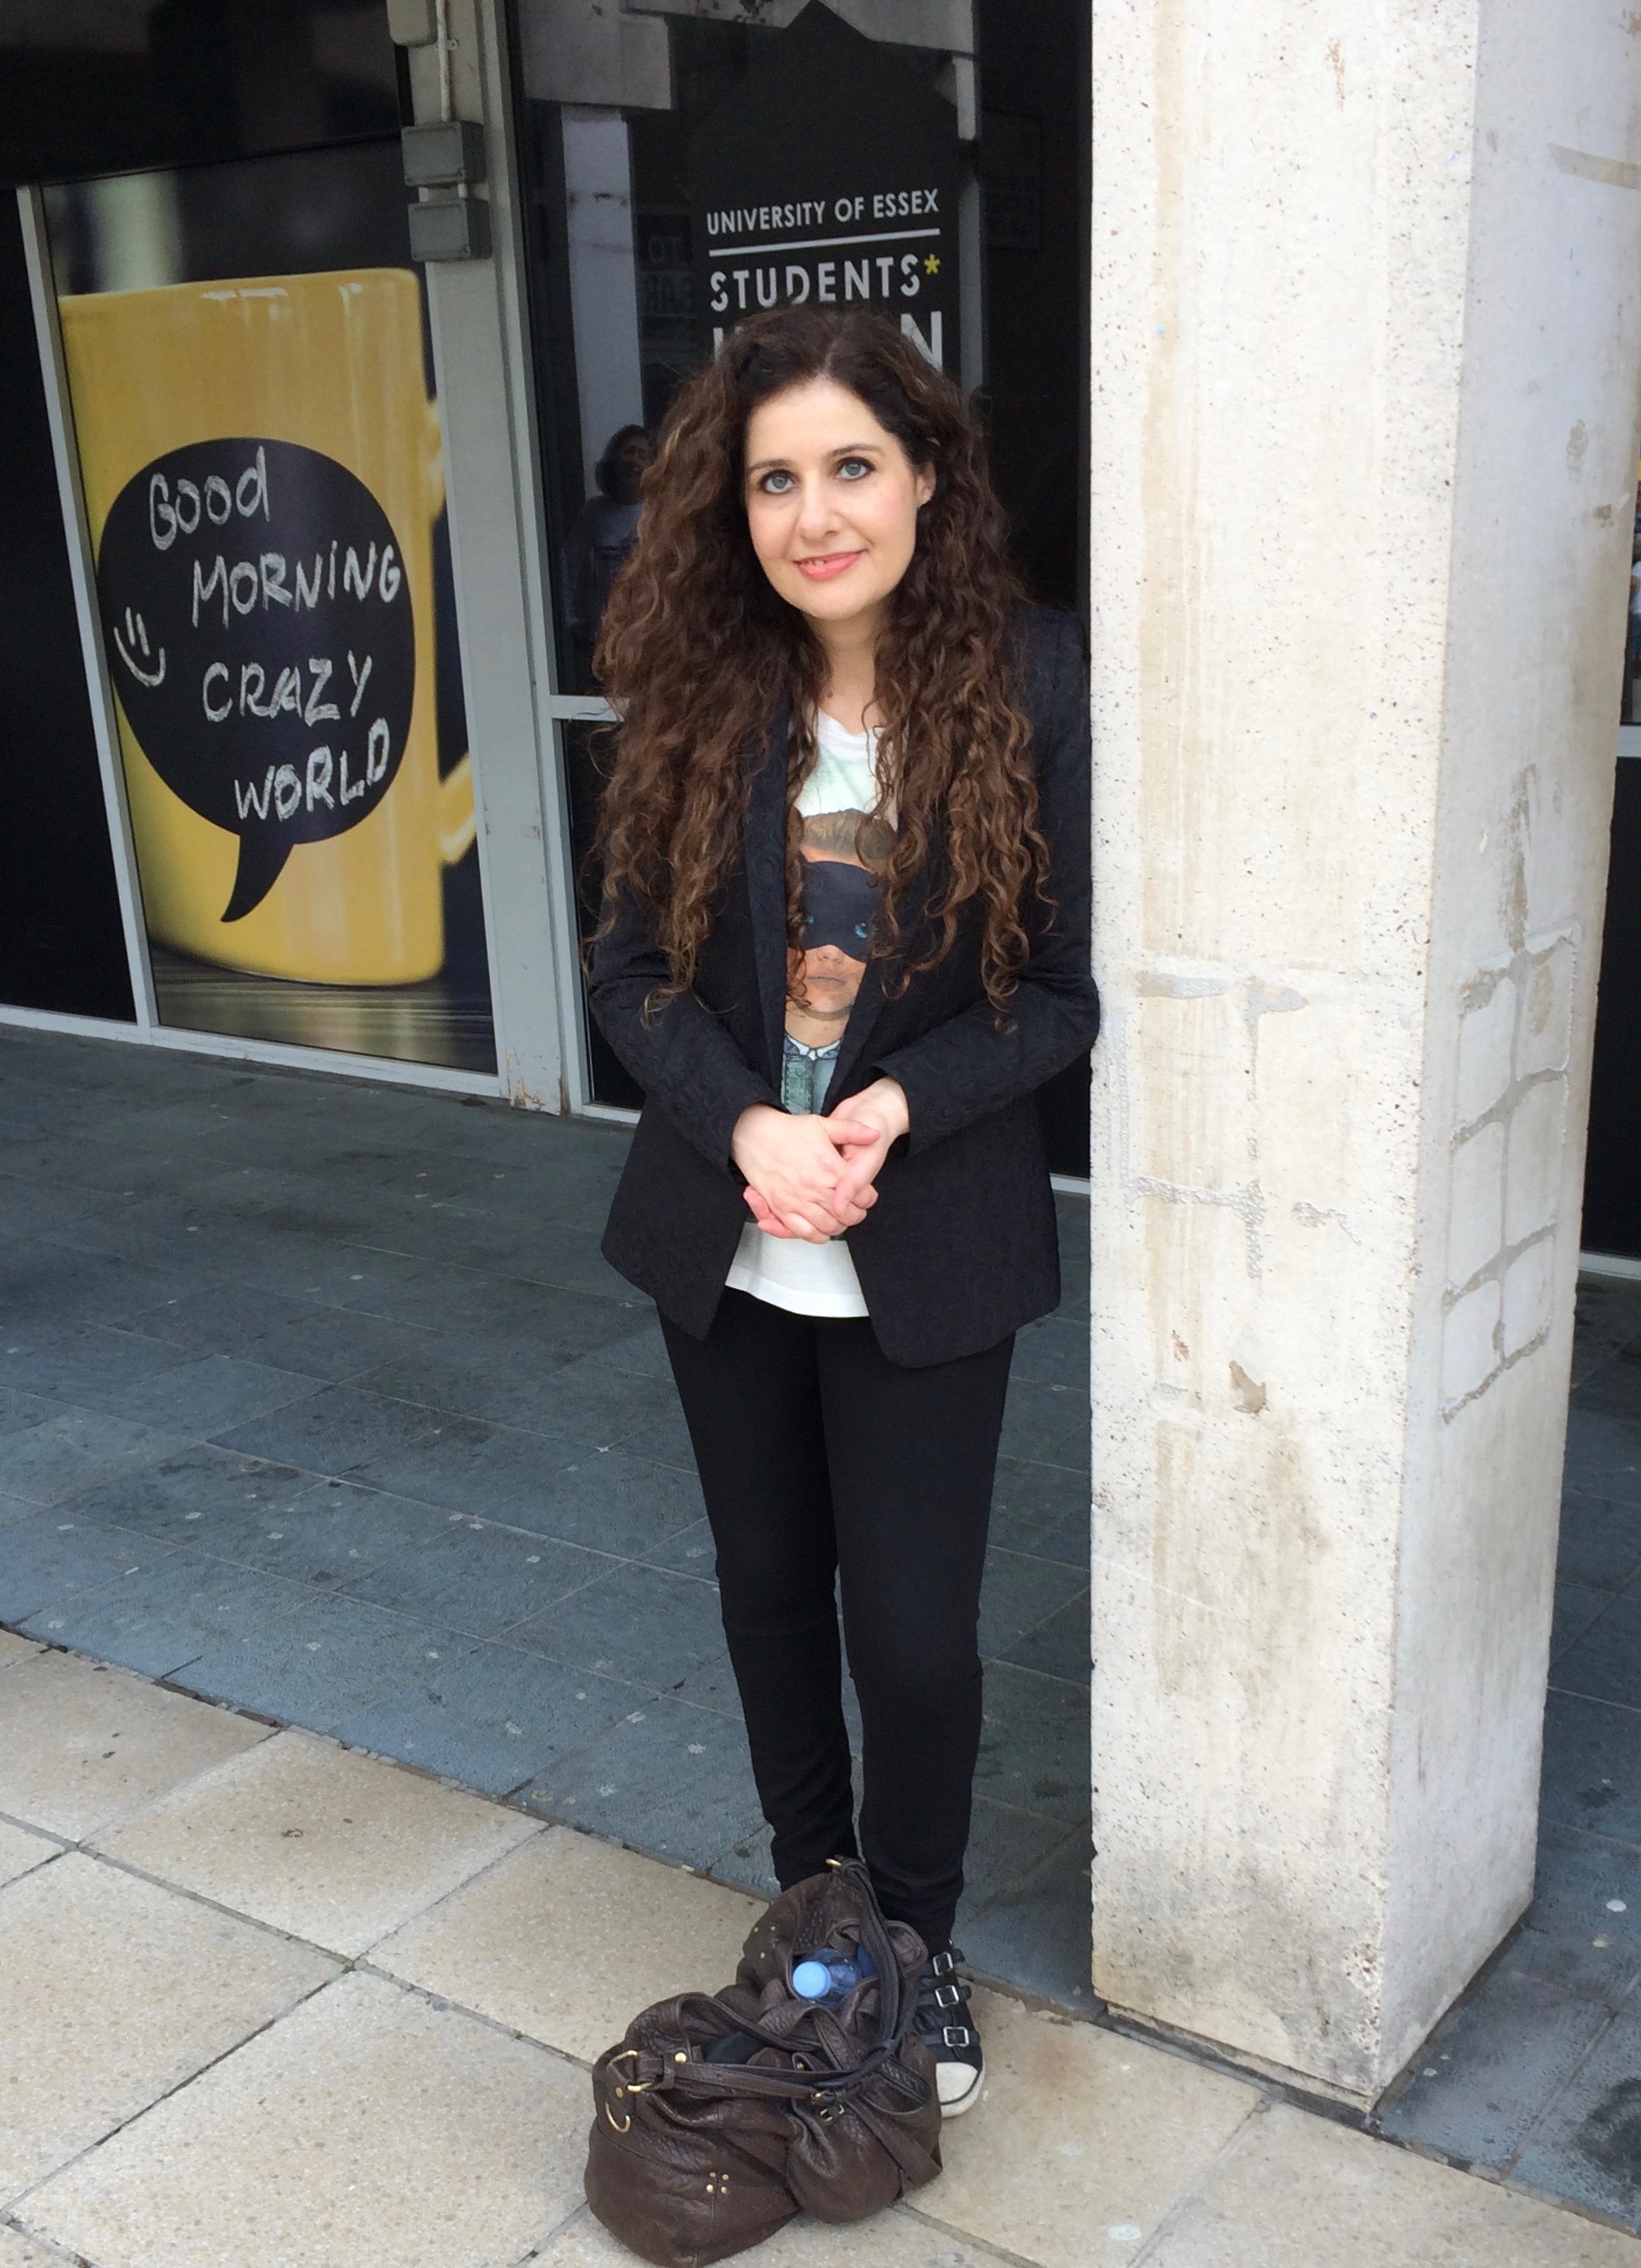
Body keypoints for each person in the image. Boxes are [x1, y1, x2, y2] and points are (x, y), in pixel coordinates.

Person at [587, 306, 1098, 2117]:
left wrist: (885, 1106)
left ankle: (916, 1939)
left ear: (928, 473)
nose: (814, 515)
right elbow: (628, 976)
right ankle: (818, 1911)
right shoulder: (705, 690)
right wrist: (748, 1123)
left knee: (915, 1635)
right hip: (724, 1235)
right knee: (765, 1595)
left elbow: (1059, 998)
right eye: (773, 480)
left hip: (927, 1235)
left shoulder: (1036, 682)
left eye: (852, 467)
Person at [561, 424, 653, 670]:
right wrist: (571, 618)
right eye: (629, 452)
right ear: (614, 459)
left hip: (649, 629)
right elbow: (569, 561)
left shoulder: (659, 512)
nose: (635, 461)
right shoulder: (595, 512)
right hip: (604, 630)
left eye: (643, 455)